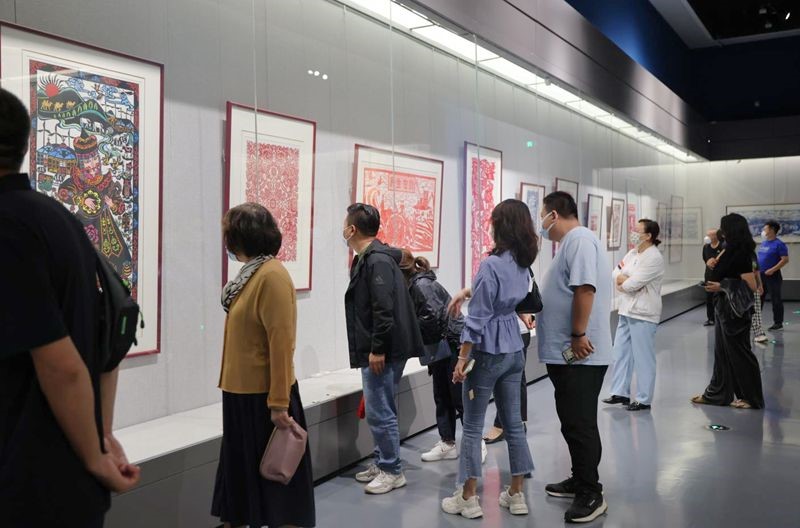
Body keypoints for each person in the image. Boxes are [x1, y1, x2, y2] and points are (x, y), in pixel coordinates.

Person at [0, 87, 140, 527]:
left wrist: (97, 455)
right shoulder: (58, 217)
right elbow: (113, 331)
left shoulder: (8, 227)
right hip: (62, 479)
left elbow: (60, 365)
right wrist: (100, 435)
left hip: (25, 484)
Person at [212, 203, 315, 528]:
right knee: (244, 476)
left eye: (228, 234)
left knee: (276, 481)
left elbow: (281, 344)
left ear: (240, 236)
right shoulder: (250, 274)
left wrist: (279, 403)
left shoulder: (271, 276)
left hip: (264, 398)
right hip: (240, 393)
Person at [441, 199, 537, 520]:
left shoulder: (490, 265)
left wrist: (462, 358)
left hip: (487, 352)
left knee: (471, 427)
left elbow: (478, 319)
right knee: (514, 424)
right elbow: (502, 297)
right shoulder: (522, 263)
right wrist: (468, 291)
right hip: (514, 348)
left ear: (500, 225)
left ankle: (468, 498)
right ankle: (517, 494)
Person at [536, 191, 612, 524]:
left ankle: (591, 493)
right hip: (569, 355)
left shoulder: (579, 240)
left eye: (542, 215)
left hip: (581, 353)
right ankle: (580, 478)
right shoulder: (572, 243)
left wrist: (578, 334)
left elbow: (584, 289)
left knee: (580, 423)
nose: (541, 224)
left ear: (553, 214)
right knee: (572, 421)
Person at [344, 203, 424, 495]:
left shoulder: (376, 260)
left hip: (383, 350)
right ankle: (382, 462)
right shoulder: (372, 257)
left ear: (352, 229)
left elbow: (383, 309)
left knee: (380, 410)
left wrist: (377, 349)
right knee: (380, 407)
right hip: (382, 347)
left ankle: (391, 469)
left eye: (345, 224)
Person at [399, 250, 488, 463]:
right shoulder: (416, 285)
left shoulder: (420, 286)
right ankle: (447, 442)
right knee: (442, 395)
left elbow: (432, 318)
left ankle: (476, 442)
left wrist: (409, 334)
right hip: (440, 346)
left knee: (459, 397)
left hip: (451, 344)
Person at [692, 213, 764, 410]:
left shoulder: (741, 253)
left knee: (740, 354)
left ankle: (752, 398)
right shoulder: (728, 249)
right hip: (723, 309)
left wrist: (722, 285)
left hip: (735, 312)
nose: (720, 232)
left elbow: (751, 285)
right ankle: (718, 394)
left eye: (723, 228)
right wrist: (713, 265)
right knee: (722, 354)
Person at [604, 219, 665, 411]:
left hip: (643, 313)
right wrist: (625, 280)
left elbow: (633, 284)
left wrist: (625, 282)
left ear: (648, 236)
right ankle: (620, 392)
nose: (633, 232)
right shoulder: (632, 253)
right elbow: (615, 273)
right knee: (620, 353)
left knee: (643, 357)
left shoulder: (654, 257)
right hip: (626, 309)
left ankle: (643, 399)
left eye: (637, 230)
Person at [482, 314, 534, 445]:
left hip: (511, 331)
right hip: (510, 330)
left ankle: (503, 425)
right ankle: (517, 423)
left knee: (509, 379)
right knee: (515, 378)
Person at [758, 220, 789, 331]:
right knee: (758, 299)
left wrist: (772, 270)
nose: (763, 230)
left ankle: (778, 323)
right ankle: (756, 321)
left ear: (771, 230)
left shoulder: (779, 244)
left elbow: (785, 260)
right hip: (761, 275)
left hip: (773, 276)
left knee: (776, 299)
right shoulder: (764, 243)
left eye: (765, 228)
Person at [702, 229, 724, 326]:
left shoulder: (722, 246)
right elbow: (705, 259)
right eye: (707, 235)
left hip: (720, 277)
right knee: (709, 298)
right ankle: (710, 318)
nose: (707, 237)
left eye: (710, 235)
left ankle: (721, 318)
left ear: (716, 236)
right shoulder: (706, 247)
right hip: (709, 276)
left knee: (720, 298)